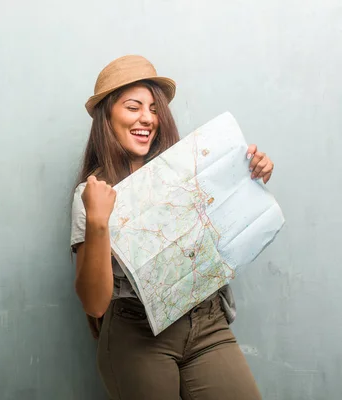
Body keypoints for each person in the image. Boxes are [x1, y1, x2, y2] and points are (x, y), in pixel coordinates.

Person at [70, 55, 274, 400]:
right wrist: (98, 223)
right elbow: (94, 304)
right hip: (137, 335)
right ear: (108, 116)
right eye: (133, 107)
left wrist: (252, 173)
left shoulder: (189, 171)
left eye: (153, 109)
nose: (147, 118)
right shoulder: (91, 195)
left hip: (207, 322)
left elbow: (229, 223)